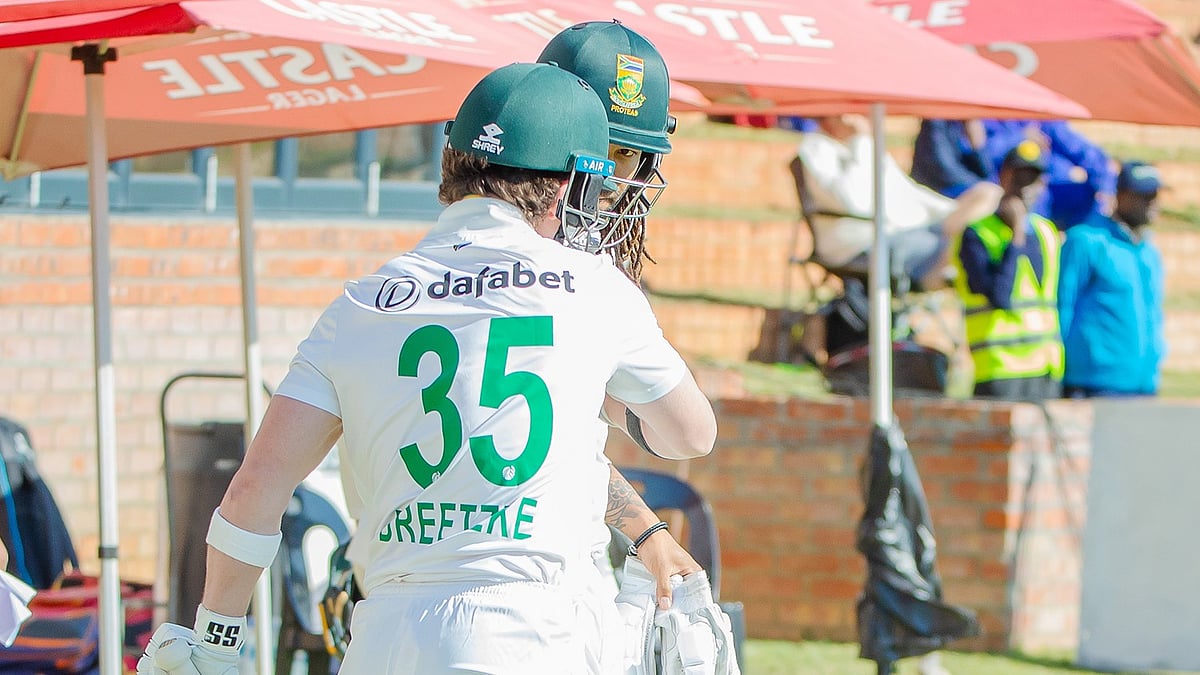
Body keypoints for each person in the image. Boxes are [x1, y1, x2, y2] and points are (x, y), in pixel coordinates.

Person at [137, 61, 717, 675]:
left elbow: (254, 490)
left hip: (384, 637)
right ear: (570, 187)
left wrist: (214, 641)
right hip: (539, 636)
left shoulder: (359, 302)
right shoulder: (593, 288)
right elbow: (690, 433)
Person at [537, 20, 712, 605]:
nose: (614, 179)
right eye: (603, 151)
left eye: (629, 154)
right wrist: (644, 527)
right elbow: (691, 434)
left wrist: (643, 527)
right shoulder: (584, 285)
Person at [796, 114, 1002, 291]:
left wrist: (952, 214)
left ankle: (947, 257)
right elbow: (854, 200)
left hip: (905, 231)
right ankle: (939, 272)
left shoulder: (863, 145)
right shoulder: (817, 147)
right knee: (964, 249)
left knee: (988, 194)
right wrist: (860, 140)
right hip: (863, 245)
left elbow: (905, 191)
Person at [951, 140, 1064, 401]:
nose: (1026, 188)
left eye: (1033, 180)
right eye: (1019, 178)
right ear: (1004, 178)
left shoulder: (1046, 233)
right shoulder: (976, 235)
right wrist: (1016, 238)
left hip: (1045, 367)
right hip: (1000, 368)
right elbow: (999, 295)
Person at [1058, 160, 1166, 398]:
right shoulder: (1086, 241)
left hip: (1143, 384)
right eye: (1143, 195)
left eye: (1155, 195)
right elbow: (1062, 307)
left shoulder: (1149, 252)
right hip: (1094, 384)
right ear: (1121, 195)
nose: (1152, 202)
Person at [983, 119, 1117, 229]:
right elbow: (981, 154)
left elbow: (1089, 155)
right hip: (1005, 190)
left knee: (1096, 196)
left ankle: (1079, 241)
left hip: (1050, 191)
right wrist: (1021, 137)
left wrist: (1105, 189)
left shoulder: (1042, 118)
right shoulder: (991, 115)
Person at [910, 118, 996, 199]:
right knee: (988, 194)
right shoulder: (938, 122)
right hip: (943, 191)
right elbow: (941, 168)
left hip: (980, 185)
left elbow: (987, 172)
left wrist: (978, 145)